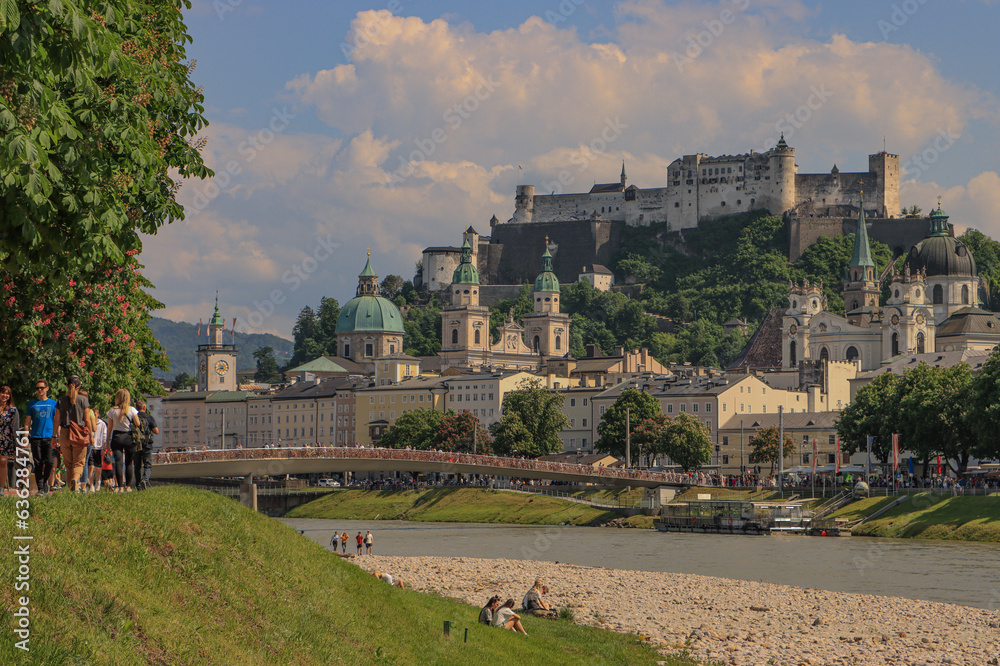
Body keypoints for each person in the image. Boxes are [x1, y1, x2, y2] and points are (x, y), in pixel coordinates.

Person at [55, 376, 91, 492]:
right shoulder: (83, 400)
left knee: (68, 463)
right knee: (79, 463)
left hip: (65, 433)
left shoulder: (61, 400)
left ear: (67, 386)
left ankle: (71, 487)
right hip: (79, 434)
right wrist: (91, 435)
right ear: (79, 386)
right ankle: (75, 479)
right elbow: (87, 419)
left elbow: (56, 419)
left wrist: (54, 436)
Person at [25, 379, 57, 494]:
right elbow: (27, 421)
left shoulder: (53, 404)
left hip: (49, 437)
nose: (39, 390)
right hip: (36, 437)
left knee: (49, 462)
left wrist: (56, 436)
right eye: (37, 388)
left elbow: (56, 420)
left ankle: (44, 482)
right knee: (37, 463)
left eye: (41, 388)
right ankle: (40, 488)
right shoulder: (32, 404)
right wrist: (25, 435)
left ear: (47, 388)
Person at [106, 388, 141, 492]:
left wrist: (107, 439)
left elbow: (110, 427)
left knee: (118, 462)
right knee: (129, 462)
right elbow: (138, 424)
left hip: (117, 437)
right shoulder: (132, 410)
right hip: (129, 437)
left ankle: (119, 486)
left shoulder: (112, 411)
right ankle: (128, 486)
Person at [133, 400, 158, 490]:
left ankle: (138, 486)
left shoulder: (134, 418)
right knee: (147, 465)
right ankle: (144, 479)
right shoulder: (149, 417)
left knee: (137, 466)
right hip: (147, 444)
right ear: (144, 407)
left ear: (136, 408)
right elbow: (156, 431)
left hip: (136, 444)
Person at [0, 386, 20, 491]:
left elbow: (15, 427)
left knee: (3, 463)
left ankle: (1, 488)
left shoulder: (13, 410)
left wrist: (17, 443)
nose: (5, 395)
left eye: (7, 393)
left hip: (5, 441)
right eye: (3, 393)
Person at [88, 407, 108, 492]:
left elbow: (104, 436)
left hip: (99, 447)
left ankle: (98, 481)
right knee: (90, 466)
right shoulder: (88, 423)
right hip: (90, 447)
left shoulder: (102, 424)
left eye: (95, 414)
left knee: (98, 467)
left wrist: (104, 448)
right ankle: (91, 484)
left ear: (98, 415)